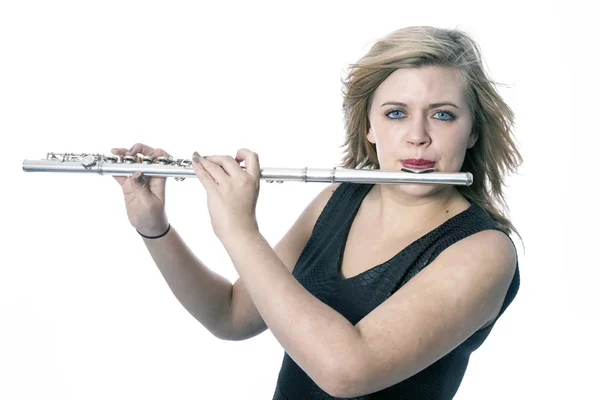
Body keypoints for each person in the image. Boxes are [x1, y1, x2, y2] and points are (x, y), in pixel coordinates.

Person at [111, 25, 522, 400]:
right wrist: (155, 228)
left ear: (472, 131)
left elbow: (346, 372)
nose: (417, 137)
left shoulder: (484, 251)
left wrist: (239, 231)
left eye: (442, 115)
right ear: (369, 128)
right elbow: (231, 315)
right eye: (396, 113)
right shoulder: (338, 200)